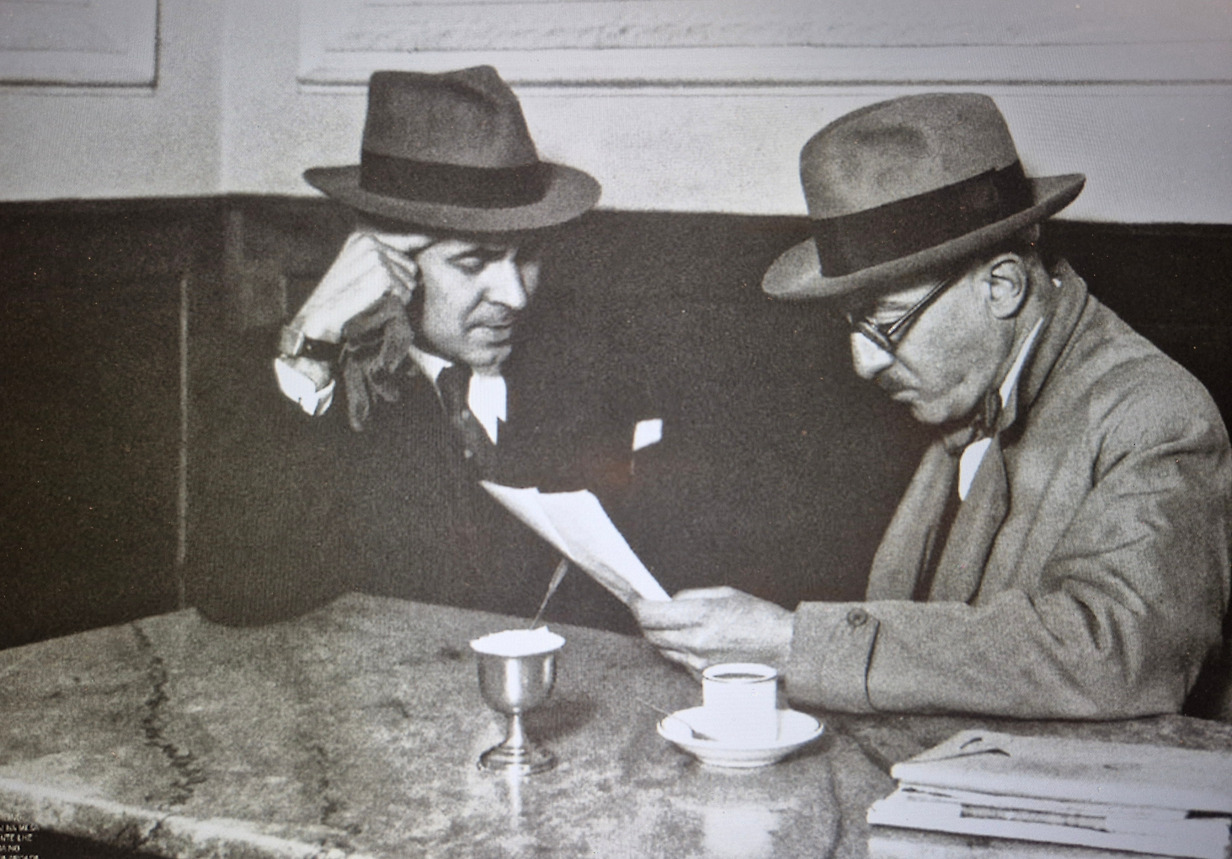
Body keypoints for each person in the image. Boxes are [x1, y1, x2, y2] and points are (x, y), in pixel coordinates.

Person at [633, 93, 1232, 719]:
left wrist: (795, 643)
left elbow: (1118, 655)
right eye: (852, 323)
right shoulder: (970, 385)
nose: (864, 362)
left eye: (888, 322)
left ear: (1002, 285)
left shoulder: (1155, 415)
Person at [186, 66, 651, 631]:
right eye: (473, 262)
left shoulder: (587, 360)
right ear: (385, 258)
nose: (514, 296)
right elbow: (236, 597)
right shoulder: (289, 385)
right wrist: (311, 345)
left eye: (526, 256)